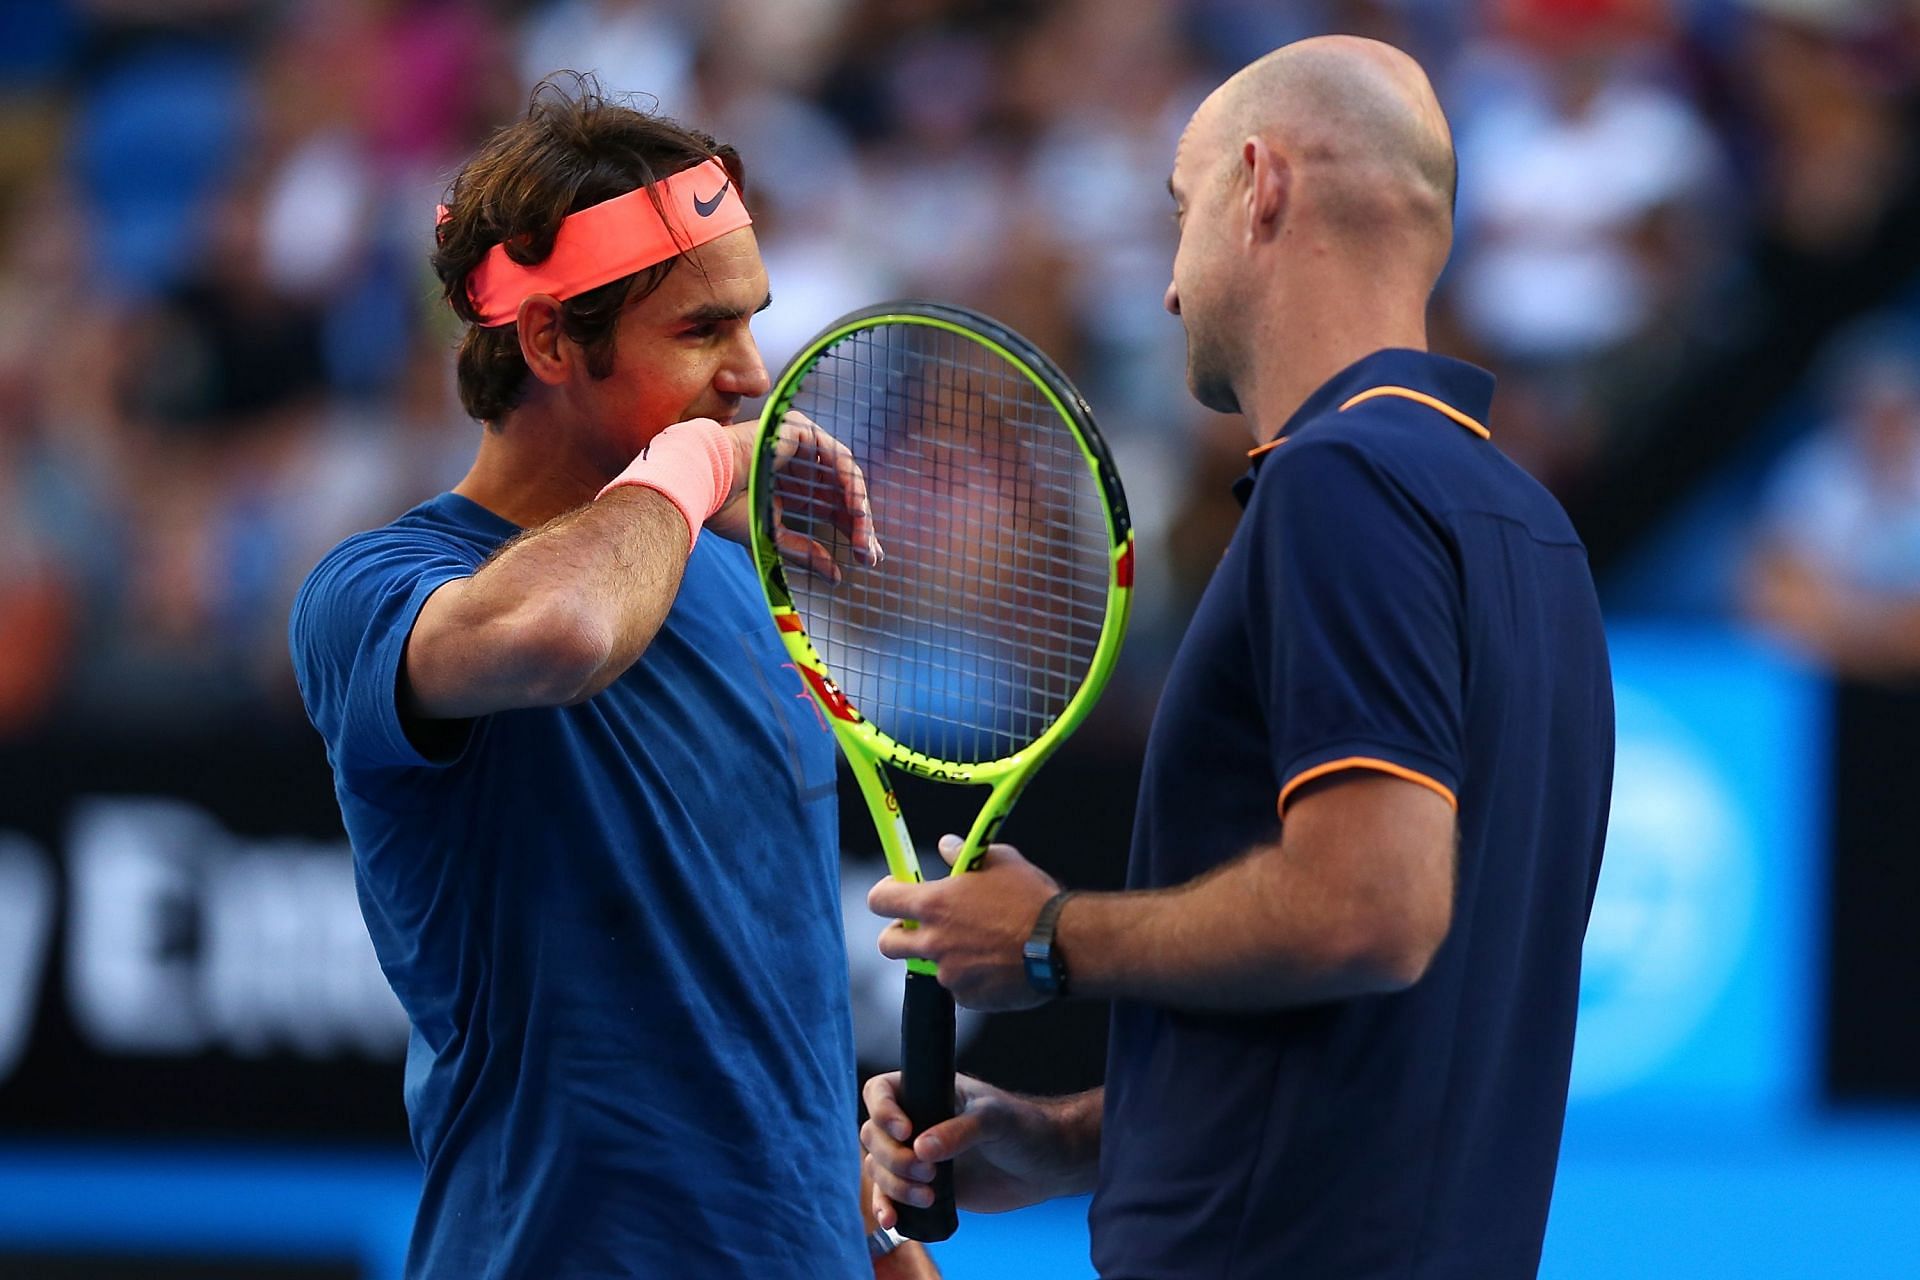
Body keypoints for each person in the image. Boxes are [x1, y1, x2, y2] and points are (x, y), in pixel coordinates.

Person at [861, 36, 1615, 1280]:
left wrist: (1049, 935)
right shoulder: (1531, 526)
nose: (1167, 286)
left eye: (1180, 208)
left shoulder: (1340, 484)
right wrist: (1066, 1135)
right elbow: (1396, 1029)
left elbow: (1373, 911)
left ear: (1259, 185)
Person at [290, 81, 933, 1277]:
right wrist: (693, 465)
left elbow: (754, 981)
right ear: (546, 341)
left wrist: (867, 1241)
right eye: (700, 332)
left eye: (753, 321)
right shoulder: (374, 588)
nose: (751, 373)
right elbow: (563, 632)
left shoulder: (743, 586)